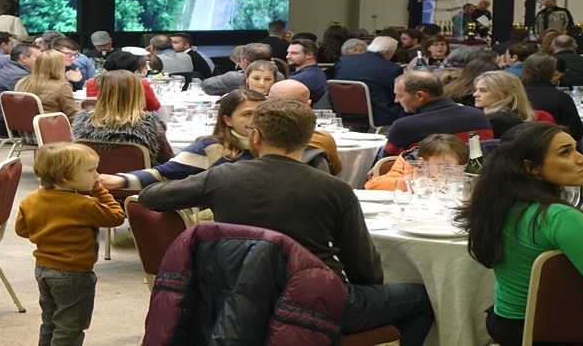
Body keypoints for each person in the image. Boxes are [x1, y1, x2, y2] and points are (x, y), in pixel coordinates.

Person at [138, 98, 436, 343]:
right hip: (314, 305)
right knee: (424, 298)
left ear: (255, 136)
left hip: (234, 299)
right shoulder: (334, 189)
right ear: (309, 139)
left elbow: (151, 198)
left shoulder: (222, 177)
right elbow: (364, 270)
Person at [454, 122, 583, 345]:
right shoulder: (558, 215)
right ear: (531, 167)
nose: (582, 159)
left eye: (576, 148)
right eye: (565, 153)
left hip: (506, 323)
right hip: (550, 328)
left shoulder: (503, 205)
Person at [14, 142, 125, 346]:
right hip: (74, 274)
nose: (96, 175)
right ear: (66, 177)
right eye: (91, 170)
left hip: (43, 270)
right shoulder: (83, 204)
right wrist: (99, 191)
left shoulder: (30, 199)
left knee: (50, 321)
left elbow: (22, 230)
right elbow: (117, 217)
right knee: (71, 327)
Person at [99, 89, 263, 191]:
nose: (257, 120)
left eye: (262, 113)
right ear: (227, 120)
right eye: (247, 114)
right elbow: (164, 173)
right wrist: (122, 180)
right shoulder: (212, 148)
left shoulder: (279, 146)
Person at [71, 70, 173, 167]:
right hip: (137, 181)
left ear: (102, 94)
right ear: (137, 94)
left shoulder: (81, 123)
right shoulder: (151, 126)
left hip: (92, 180)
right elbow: (168, 160)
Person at [384, 71, 493, 156]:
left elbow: (387, 165)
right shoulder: (478, 116)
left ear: (420, 96)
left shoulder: (404, 127)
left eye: (400, 95)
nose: (396, 100)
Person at [266, 80, 343, 175]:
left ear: (266, 100)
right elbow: (335, 169)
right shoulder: (322, 140)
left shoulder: (257, 135)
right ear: (308, 104)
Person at [333, 36, 405, 126]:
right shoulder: (392, 69)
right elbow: (396, 96)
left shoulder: (344, 61)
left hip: (343, 112)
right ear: (389, 52)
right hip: (379, 115)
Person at [364, 134, 468, 190]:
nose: (451, 170)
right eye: (443, 165)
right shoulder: (408, 168)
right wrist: (415, 184)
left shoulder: (459, 172)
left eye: (457, 165)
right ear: (423, 163)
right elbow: (372, 185)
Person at [15, 50, 79, 126]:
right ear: (59, 67)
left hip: (24, 131)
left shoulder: (22, 82)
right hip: (50, 132)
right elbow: (74, 117)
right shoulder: (62, 87)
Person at [0, 44, 41, 133]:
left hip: (3, 120)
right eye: (38, 57)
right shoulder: (19, 76)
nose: (42, 61)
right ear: (23, 58)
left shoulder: (11, 68)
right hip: (8, 125)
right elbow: (35, 100)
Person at [83, 50, 160, 111]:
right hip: (134, 126)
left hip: (97, 126)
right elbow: (154, 107)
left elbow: (91, 107)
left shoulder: (92, 83)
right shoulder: (141, 85)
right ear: (134, 69)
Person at [473, 70, 535, 138]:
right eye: (476, 90)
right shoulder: (515, 114)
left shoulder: (497, 121)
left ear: (504, 94)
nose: (475, 94)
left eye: (483, 90)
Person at [202, 43, 271, 95]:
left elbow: (205, 85)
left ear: (245, 62)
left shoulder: (234, 77)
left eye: (240, 59)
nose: (262, 83)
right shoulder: (280, 76)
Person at [286, 39, 327, 103]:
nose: (288, 56)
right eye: (288, 52)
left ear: (309, 55)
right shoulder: (316, 73)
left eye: (294, 53)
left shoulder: (300, 79)